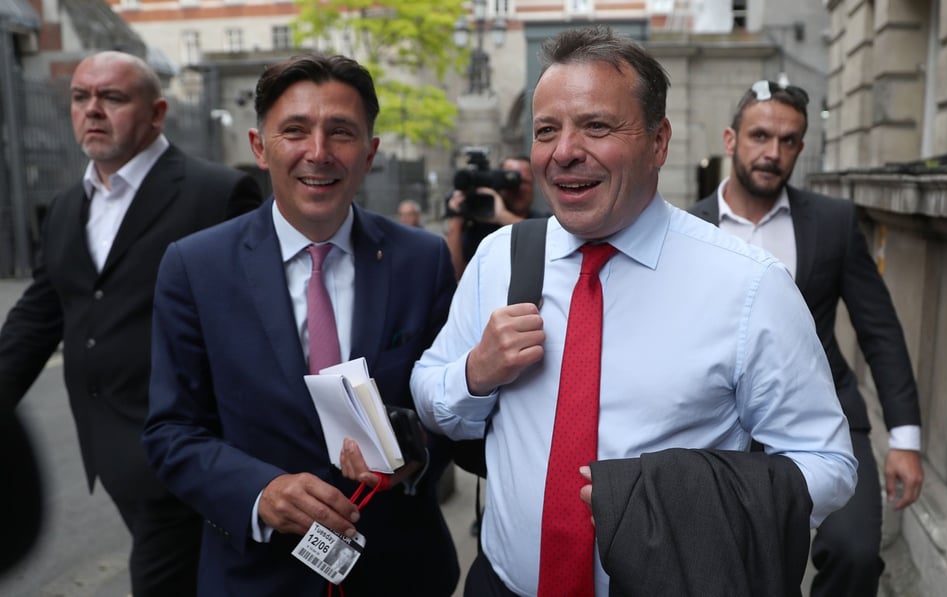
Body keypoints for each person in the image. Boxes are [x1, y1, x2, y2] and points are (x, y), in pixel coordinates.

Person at [411, 25, 857, 597]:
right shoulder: (500, 256)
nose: (565, 151)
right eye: (547, 130)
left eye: (597, 126)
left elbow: (828, 464)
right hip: (500, 583)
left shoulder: (749, 288)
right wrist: (475, 375)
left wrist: (676, 496)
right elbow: (429, 390)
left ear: (659, 141)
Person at [142, 53, 459, 596]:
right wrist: (260, 492)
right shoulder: (196, 267)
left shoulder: (421, 260)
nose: (318, 153)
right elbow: (171, 431)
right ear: (259, 147)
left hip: (401, 572)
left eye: (341, 132)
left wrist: (418, 455)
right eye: (295, 131)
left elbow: (448, 403)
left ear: (370, 153)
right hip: (259, 576)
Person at [0, 51, 262, 595]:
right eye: (80, 97)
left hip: (188, 453)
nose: (92, 110)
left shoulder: (215, 194)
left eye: (112, 97)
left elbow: (257, 329)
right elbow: (39, 316)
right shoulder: (68, 205)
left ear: (157, 112)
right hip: (111, 455)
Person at [687, 79, 924, 597]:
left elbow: (879, 328)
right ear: (731, 140)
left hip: (829, 414)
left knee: (857, 553)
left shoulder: (833, 223)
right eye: (760, 136)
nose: (773, 153)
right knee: (740, 569)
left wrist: (905, 439)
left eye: (789, 140)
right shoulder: (687, 227)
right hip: (724, 426)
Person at [445, 155, 543, 279]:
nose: (517, 188)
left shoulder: (545, 223)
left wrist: (502, 216)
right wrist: (456, 219)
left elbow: (545, 242)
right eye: (509, 179)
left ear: (534, 185)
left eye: (524, 181)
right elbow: (453, 275)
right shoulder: (478, 228)